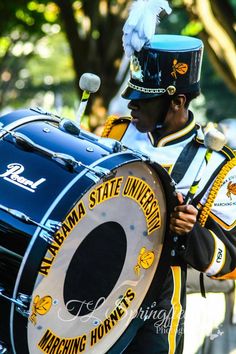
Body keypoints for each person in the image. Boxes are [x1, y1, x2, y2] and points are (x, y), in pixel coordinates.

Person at [101, 33, 236, 354]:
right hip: (99, 279)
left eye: (144, 97)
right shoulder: (117, 133)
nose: (131, 103)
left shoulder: (217, 164)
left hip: (157, 303)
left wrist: (191, 233)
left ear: (177, 102)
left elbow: (230, 261)